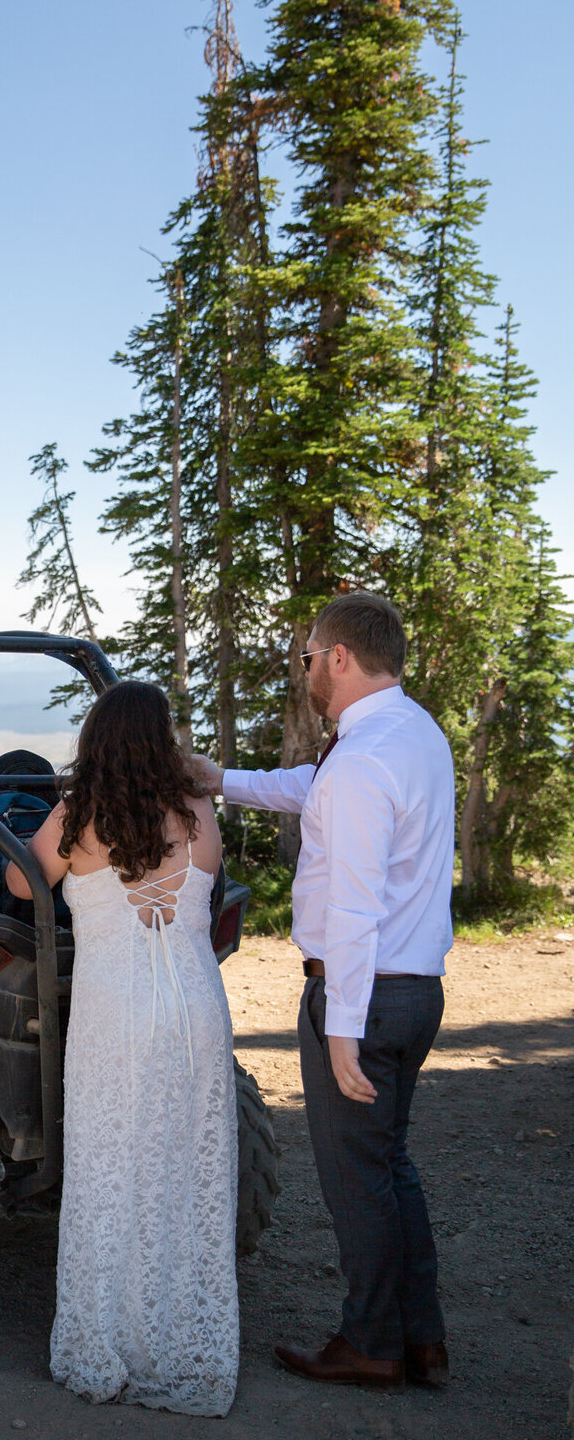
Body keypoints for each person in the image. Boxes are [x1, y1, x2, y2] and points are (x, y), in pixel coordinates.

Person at [193, 592, 454, 1393]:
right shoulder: (412, 734)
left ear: (338, 657)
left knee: (355, 1182)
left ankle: (370, 1343)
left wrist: (340, 1032)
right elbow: (314, 788)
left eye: (309, 656)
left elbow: (352, 906)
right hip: (415, 991)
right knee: (390, 1165)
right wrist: (221, 779)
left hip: (362, 997)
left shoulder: (364, 761)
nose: (307, 669)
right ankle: (421, 1340)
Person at [5, 681, 238, 1415]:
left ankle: (110, 1339)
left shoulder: (79, 818)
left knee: (112, 1170)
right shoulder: (199, 813)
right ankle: (180, 1339)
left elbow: (18, 881)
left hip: (116, 1015)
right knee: (184, 1172)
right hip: (197, 1010)